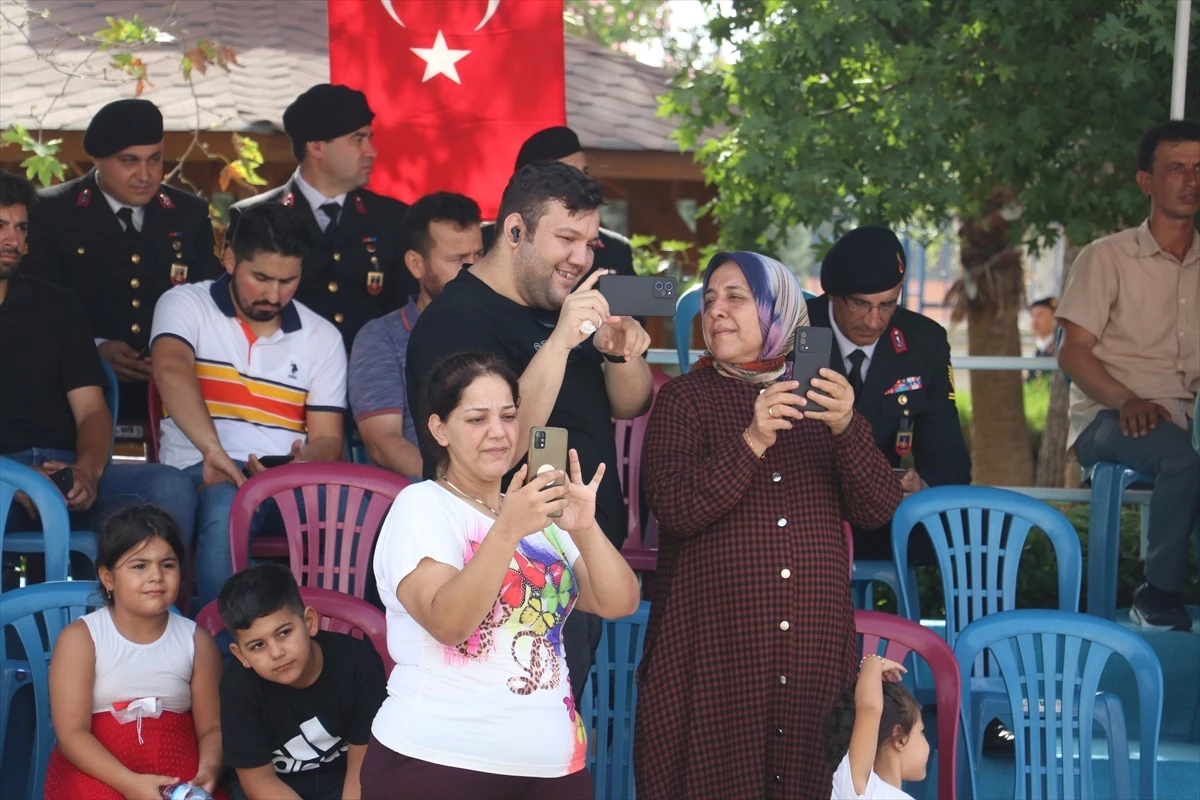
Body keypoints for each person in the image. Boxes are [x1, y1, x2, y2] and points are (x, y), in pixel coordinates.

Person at [634, 251, 903, 799]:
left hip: (812, 654)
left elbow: (878, 508)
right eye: (709, 301)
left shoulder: (824, 400)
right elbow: (676, 508)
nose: (717, 311)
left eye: (736, 297)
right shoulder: (685, 399)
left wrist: (848, 426)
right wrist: (753, 440)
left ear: (778, 310)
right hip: (711, 654)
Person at [404, 161, 652, 704]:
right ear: (515, 231)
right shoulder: (456, 319)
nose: (582, 258)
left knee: (547, 719)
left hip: (579, 557)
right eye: (566, 238)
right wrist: (562, 341)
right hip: (495, 568)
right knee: (489, 732)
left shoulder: (561, 305)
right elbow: (503, 444)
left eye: (590, 242)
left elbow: (631, 404)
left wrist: (620, 353)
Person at [362, 351, 640, 799]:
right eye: (476, 419)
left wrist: (585, 529)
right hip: (438, 764)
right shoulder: (422, 506)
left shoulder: (535, 513)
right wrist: (507, 527)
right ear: (439, 430)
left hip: (554, 768)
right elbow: (449, 623)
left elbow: (618, 602)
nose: (498, 432)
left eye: (509, 416)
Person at [151, 202, 347, 609]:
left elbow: (328, 440)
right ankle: (223, 649)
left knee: (358, 509)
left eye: (288, 280)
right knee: (227, 506)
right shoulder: (185, 303)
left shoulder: (322, 335)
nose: (273, 294)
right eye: (260, 277)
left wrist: (300, 466)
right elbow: (170, 370)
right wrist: (215, 453)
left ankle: (335, 638)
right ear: (229, 259)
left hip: (282, 485)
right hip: (199, 471)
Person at [0, 171, 196, 571]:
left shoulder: (58, 306)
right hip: (3, 478)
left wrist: (86, 471)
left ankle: (155, 628)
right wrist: (14, 476)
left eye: (20, 227)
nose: (13, 240)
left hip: (66, 471)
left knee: (169, 487)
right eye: (0, 226)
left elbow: (91, 409)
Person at [1058, 119, 1200, 632]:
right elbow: (1073, 353)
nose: (1191, 180)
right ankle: (1156, 592)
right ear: (1146, 181)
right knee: (1180, 456)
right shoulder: (1107, 257)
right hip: (1111, 417)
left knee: (1184, 447)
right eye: (1177, 168)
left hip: (1190, 416)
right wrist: (1126, 401)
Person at [22, 99, 223, 420]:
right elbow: (36, 303)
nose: (145, 175)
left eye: (154, 160)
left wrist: (171, 349)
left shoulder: (187, 213)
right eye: (129, 161)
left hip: (169, 389)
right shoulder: (51, 211)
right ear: (97, 160)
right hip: (77, 389)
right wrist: (95, 347)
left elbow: (209, 298)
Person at [806, 226, 971, 562]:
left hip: (884, 515)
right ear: (832, 295)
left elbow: (948, 453)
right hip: (802, 510)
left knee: (965, 530)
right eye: (860, 304)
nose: (873, 321)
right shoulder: (794, 332)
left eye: (887, 305)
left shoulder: (924, 342)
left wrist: (921, 487)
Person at [44, 505, 224, 799]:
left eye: (168, 564)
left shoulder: (196, 642)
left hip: (177, 768)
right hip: (100, 768)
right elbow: (72, 734)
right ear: (108, 577)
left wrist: (210, 769)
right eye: (139, 566)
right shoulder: (82, 639)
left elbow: (212, 729)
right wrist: (128, 783)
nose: (156, 576)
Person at [228, 84, 414, 349]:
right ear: (316, 147)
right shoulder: (253, 216)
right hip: (284, 375)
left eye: (369, 138)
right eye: (358, 139)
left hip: (366, 376)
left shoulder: (393, 218)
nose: (371, 151)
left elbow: (403, 313)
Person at [217, 563, 387, 800]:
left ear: (309, 621)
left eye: (284, 632)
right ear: (241, 655)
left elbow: (360, 769)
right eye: (258, 645)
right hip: (274, 786)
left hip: (342, 778)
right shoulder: (238, 687)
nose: (276, 653)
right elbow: (259, 780)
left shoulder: (359, 665)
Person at [349, 192, 484, 479]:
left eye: (479, 255)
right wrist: (454, 486)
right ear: (416, 264)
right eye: (458, 260)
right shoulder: (381, 337)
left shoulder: (499, 326)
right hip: (420, 499)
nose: (473, 270)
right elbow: (382, 442)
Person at [480, 126, 635, 280]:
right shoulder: (480, 244)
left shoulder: (616, 248)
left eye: (590, 245)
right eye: (566, 238)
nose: (579, 259)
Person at [825, 655, 927, 800]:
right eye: (922, 732)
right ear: (900, 738)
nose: (926, 742)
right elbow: (869, 708)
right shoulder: (861, 789)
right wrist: (871, 661)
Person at [1027, 296, 1058, 382]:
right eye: (1033, 316)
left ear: (1054, 318)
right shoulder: (1039, 349)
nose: (1035, 321)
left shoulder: (1059, 347)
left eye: (1041, 315)